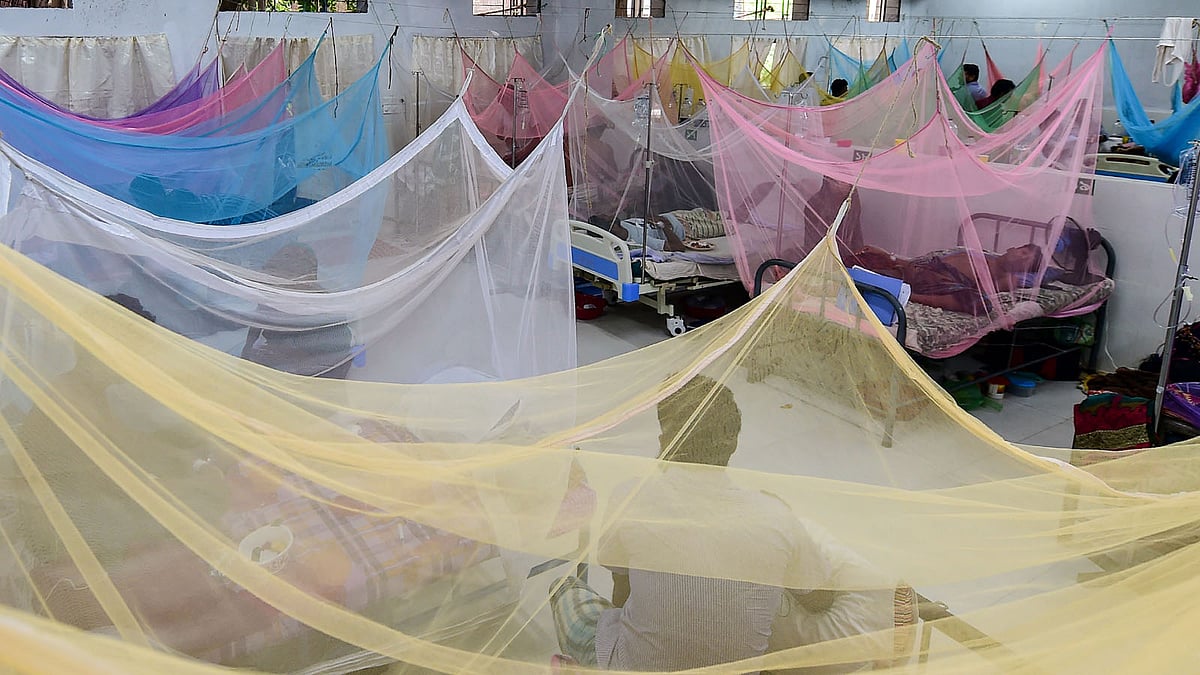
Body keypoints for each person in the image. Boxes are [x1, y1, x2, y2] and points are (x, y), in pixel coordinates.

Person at [549, 376, 835, 671]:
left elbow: (619, 578)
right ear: (733, 444)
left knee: (563, 587)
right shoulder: (776, 516)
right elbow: (820, 598)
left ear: (665, 441)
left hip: (635, 665)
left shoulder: (632, 496)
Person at [240, 243, 356, 379]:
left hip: (316, 372)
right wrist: (245, 357)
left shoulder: (327, 310)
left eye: (281, 281)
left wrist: (286, 356)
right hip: (277, 359)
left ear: (304, 280)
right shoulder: (274, 296)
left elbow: (336, 357)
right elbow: (258, 323)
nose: (274, 287)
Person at [845, 242, 1045, 315]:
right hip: (914, 270)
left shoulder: (1006, 279)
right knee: (858, 258)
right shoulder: (975, 252)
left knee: (978, 303)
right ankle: (889, 279)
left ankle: (908, 296)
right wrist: (889, 257)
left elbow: (974, 296)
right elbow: (927, 260)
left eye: (1027, 261)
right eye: (1023, 252)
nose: (1022, 257)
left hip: (935, 286)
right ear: (1013, 248)